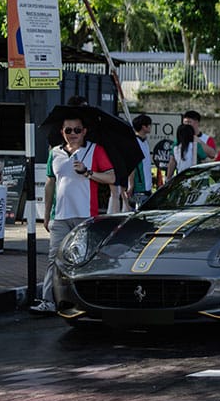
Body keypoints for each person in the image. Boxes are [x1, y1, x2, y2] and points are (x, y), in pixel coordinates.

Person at [33, 115, 116, 313]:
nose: (73, 134)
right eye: (68, 130)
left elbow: (111, 177)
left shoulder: (95, 150)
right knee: (54, 259)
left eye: (77, 130)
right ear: (62, 132)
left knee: (84, 259)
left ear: (84, 131)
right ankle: (48, 301)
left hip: (85, 215)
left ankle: (84, 302)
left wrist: (88, 172)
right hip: (60, 216)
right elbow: (50, 183)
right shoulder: (55, 152)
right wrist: (46, 214)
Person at [126, 113, 154, 210]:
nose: (150, 127)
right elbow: (132, 164)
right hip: (139, 187)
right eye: (149, 125)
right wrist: (131, 185)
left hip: (147, 187)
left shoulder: (145, 142)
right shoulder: (134, 143)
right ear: (144, 127)